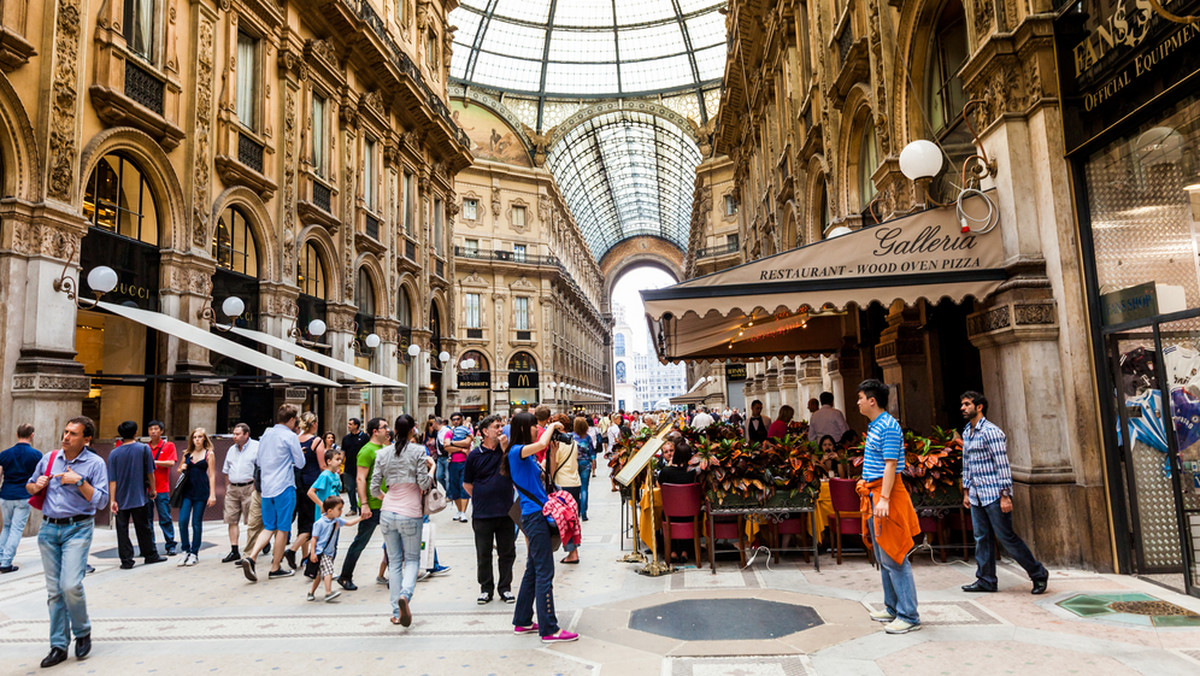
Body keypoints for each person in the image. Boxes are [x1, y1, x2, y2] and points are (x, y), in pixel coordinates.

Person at [25, 416, 108, 668]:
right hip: (49, 529)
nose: (66, 437)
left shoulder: (95, 463)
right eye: (65, 432)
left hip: (78, 528)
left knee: (70, 584)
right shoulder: (50, 458)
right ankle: (58, 645)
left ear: (86, 439)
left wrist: (79, 482)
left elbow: (102, 501)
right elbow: (29, 486)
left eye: (72, 433)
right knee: (54, 591)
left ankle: (82, 631)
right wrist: (36, 485)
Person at [959, 390, 1049, 595]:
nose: (963, 408)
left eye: (966, 404)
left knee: (1006, 537)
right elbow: (967, 464)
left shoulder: (991, 432)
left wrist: (1005, 495)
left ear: (979, 407)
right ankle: (986, 579)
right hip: (976, 495)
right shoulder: (967, 432)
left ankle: (1038, 574)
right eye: (962, 404)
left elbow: (1002, 465)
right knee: (982, 537)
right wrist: (966, 491)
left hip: (994, 494)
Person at [857, 379, 922, 634]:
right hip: (875, 495)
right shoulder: (875, 425)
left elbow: (891, 465)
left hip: (887, 496)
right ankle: (893, 608)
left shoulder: (889, 427)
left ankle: (909, 615)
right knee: (883, 556)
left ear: (872, 400)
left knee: (895, 556)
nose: (858, 402)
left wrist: (884, 499)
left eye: (861, 397)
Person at [507, 413, 579, 642]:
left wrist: (554, 451)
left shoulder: (527, 456)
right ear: (523, 429)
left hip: (538, 514)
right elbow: (540, 443)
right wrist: (551, 426)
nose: (537, 430)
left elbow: (549, 471)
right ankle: (549, 628)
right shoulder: (516, 451)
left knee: (532, 570)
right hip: (534, 517)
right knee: (545, 572)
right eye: (533, 427)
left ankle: (523, 620)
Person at [371, 414, 434, 626]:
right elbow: (424, 483)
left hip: (388, 512)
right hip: (410, 511)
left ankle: (396, 612)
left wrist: (386, 498)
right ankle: (405, 595)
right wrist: (432, 468)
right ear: (412, 430)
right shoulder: (418, 451)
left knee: (394, 561)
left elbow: (373, 488)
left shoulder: (383, 454)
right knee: (413, 560)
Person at [238, 404, 304, 581]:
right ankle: (275, 567)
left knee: (268, 526)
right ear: (291, 420)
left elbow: (259, 460)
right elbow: (300, 462)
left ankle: (251, 557)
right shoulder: (290, 436)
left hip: (266, 487)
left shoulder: (266, 434)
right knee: (283, 528)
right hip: (284, 485)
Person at [463, 414, 516, 605]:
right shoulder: (474, 456)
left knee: (507, 552)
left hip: (506, 511)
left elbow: (516, 472)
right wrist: (481, 497)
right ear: (485, 432)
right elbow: (467, 484)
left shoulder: (507, 452)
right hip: (483, 513)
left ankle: (505, 588)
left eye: (501, 426)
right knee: (483, 553)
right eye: (496, 426)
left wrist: (505, 450)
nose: (501, 429)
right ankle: (486, 588)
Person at [337, 417, 389, 591]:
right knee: (361, 541)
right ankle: (345, 576)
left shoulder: (383, 448)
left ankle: (392, 574)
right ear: (375, 431)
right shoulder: (367, 451)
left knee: (393, 540)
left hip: (386, 503)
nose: (387, 430)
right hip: (372, 505)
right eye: (384, 427)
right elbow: (360, 478)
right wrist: (364, 504)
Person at [107, 421, 163, 569]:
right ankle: (150, 555)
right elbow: (150, 471)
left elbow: (112, 480)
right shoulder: (144, 449)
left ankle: (126, 560)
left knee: (122, 530)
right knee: (143, 527)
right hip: (139, 495)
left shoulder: (114, 453)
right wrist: (153, 489)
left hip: (120, 497)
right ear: (135, 433)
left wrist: (112, 500)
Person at [284, 412, 326, 568]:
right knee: (311, 522)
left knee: (303, 520)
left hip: (297, 483)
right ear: (313, 424)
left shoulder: (296, 440)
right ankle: (292, 550)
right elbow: (322, 466)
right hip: (312, 485)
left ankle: (305, 556)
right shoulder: (316, 441)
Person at [0, 423, 42, 573]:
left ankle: (0, 558)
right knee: (16, 529)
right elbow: (39, 477)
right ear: (32, 435)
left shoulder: (4, 454)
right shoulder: (37, 455)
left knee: (6, 527)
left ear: (17, 435)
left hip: (5, 494)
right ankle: (6, 562)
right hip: (24, 495)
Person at [307, 496, 361, 603]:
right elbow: (314, 539)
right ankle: (328, 593)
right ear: (330, 511)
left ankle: (311, 592)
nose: (341, 511)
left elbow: (349, 523)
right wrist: (312, 553)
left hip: (328, 553)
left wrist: (361, 518)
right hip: (321, 553)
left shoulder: (336, 520)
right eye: (339, 509)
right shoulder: (320, 523)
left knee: (319, 575)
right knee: (328, 571)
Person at [176, 428, 216, 566]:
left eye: (200, 437)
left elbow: (211, 474)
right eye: (194, 437)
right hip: (187, 491)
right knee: (182, 520)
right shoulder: (187, 453)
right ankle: (185, 550)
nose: (197, 439)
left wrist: (212, 494)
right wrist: (183, 467)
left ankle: (194, 553)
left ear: (204, 438)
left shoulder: (209, 454)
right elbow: (179, 469)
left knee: (196, 523)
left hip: (201, 491)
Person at [546, 414, 582, 565]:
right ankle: (573, 551)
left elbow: (553, 466)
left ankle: (572, 553)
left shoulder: (558, 443)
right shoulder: (572, 441)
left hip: (562, 483)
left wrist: (549, 480)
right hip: (575, 482)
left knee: (564, 522)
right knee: (572, 520)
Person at [222, 423, 258, 563]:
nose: (234, 437)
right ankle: (234, 550)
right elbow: (226, 470)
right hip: (233, 488)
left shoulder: (256, 447)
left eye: (237, 434)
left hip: (250, 487)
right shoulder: (231, 449)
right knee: (231, 519)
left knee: (252, 521)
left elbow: (260, 468)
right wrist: (227, 487)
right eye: (234, 434)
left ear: (246, 434)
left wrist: (256, 488)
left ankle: (252, 550)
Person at [658, 439, 697, 563]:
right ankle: (686, 550)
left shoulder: (665, 472)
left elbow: (660, 486)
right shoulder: (694, 472)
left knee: (666, 513)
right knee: (690, 514)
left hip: (671, 515)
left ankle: (673, 551)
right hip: (691, 514)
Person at [146, 420, 178, 556]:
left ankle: (170, 544)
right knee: (147, 519)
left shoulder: (168, 445)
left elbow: (171, 463)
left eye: (155, 429)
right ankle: (149, 546)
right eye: (150, 429)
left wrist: (153, 462)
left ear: (161, 431)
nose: (153, 431)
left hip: (162, 488)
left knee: (165, 517)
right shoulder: (144, 447)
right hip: (146, 489)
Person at [446, 412, 473, 522]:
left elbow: (468, 442)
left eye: (457, 419)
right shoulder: (449, 432)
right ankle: (459, 510)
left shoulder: (467, 430)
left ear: (462, 419)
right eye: (453, 419)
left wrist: (453, 444)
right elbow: (446, 446)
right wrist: (461, 449)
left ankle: (463, 512)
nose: (455, 421)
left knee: (464, 486)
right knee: (454, 487)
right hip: (453, 462)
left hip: (465, 462)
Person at [341, 419, 367, 514]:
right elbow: (343, 451)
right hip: (349, 467)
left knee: (361, 488)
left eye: (350, 424)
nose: (348, 426)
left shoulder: (364, 437)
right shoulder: (346, 438)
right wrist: (340, 463)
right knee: (350, 488)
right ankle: (353, 508)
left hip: (361, 467)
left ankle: (362, 506)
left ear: (356, 425)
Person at [572, 416, 595, 521]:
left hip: (573, 463)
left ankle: (577, 511)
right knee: (584, 488)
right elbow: (592, 452)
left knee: (575, 488)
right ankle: (584, 513)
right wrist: (593, 461)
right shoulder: (587, 437)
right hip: (585, 463)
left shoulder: (571, 437)